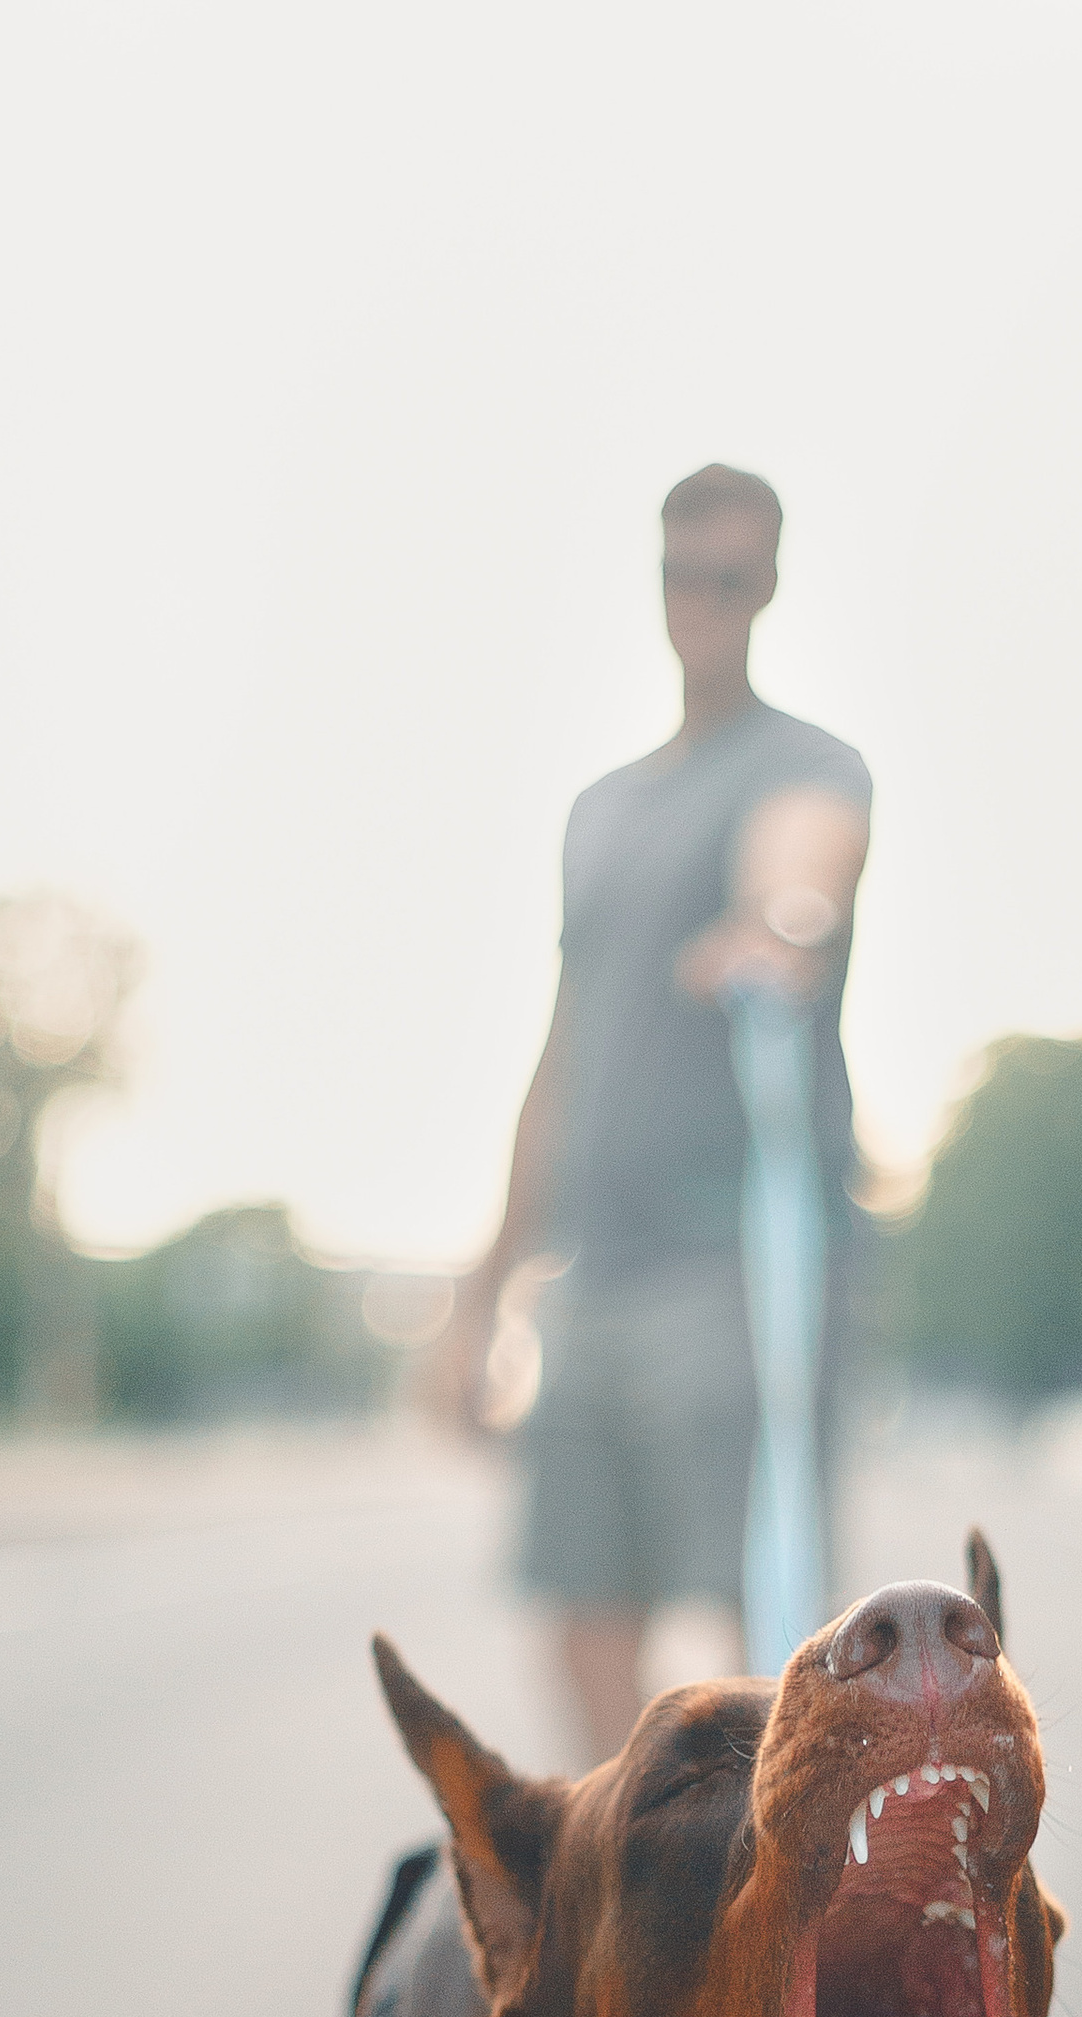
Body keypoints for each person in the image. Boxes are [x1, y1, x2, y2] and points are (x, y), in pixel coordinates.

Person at [440, 465, 871, 1758]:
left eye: (734, 581)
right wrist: (480, 1295)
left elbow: (805, 862)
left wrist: (778, 928)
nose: (707, 603)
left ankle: (772, 1909)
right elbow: (563, 1057)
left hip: (734, 1269)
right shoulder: (604, 810)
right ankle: (645, 1904)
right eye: (688, 577)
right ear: (659, 580)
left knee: (766, 1623)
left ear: (771, 586)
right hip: (596, 1271)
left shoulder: (806, 765)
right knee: (580, 1614)